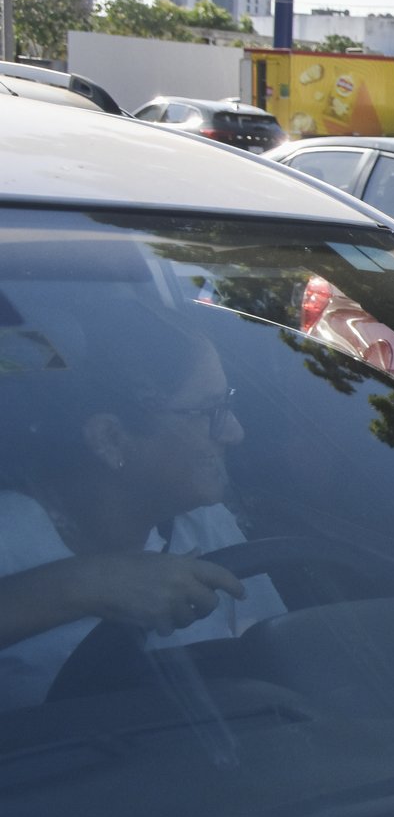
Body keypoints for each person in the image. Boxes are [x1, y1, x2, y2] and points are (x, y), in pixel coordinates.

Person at [0, 299, 284, 709]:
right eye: (209, 412)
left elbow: (278, 648)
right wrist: (86, 585)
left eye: (229, 405)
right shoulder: (10, 536)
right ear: (110, 438)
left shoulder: (205, 522)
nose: (235, 433)